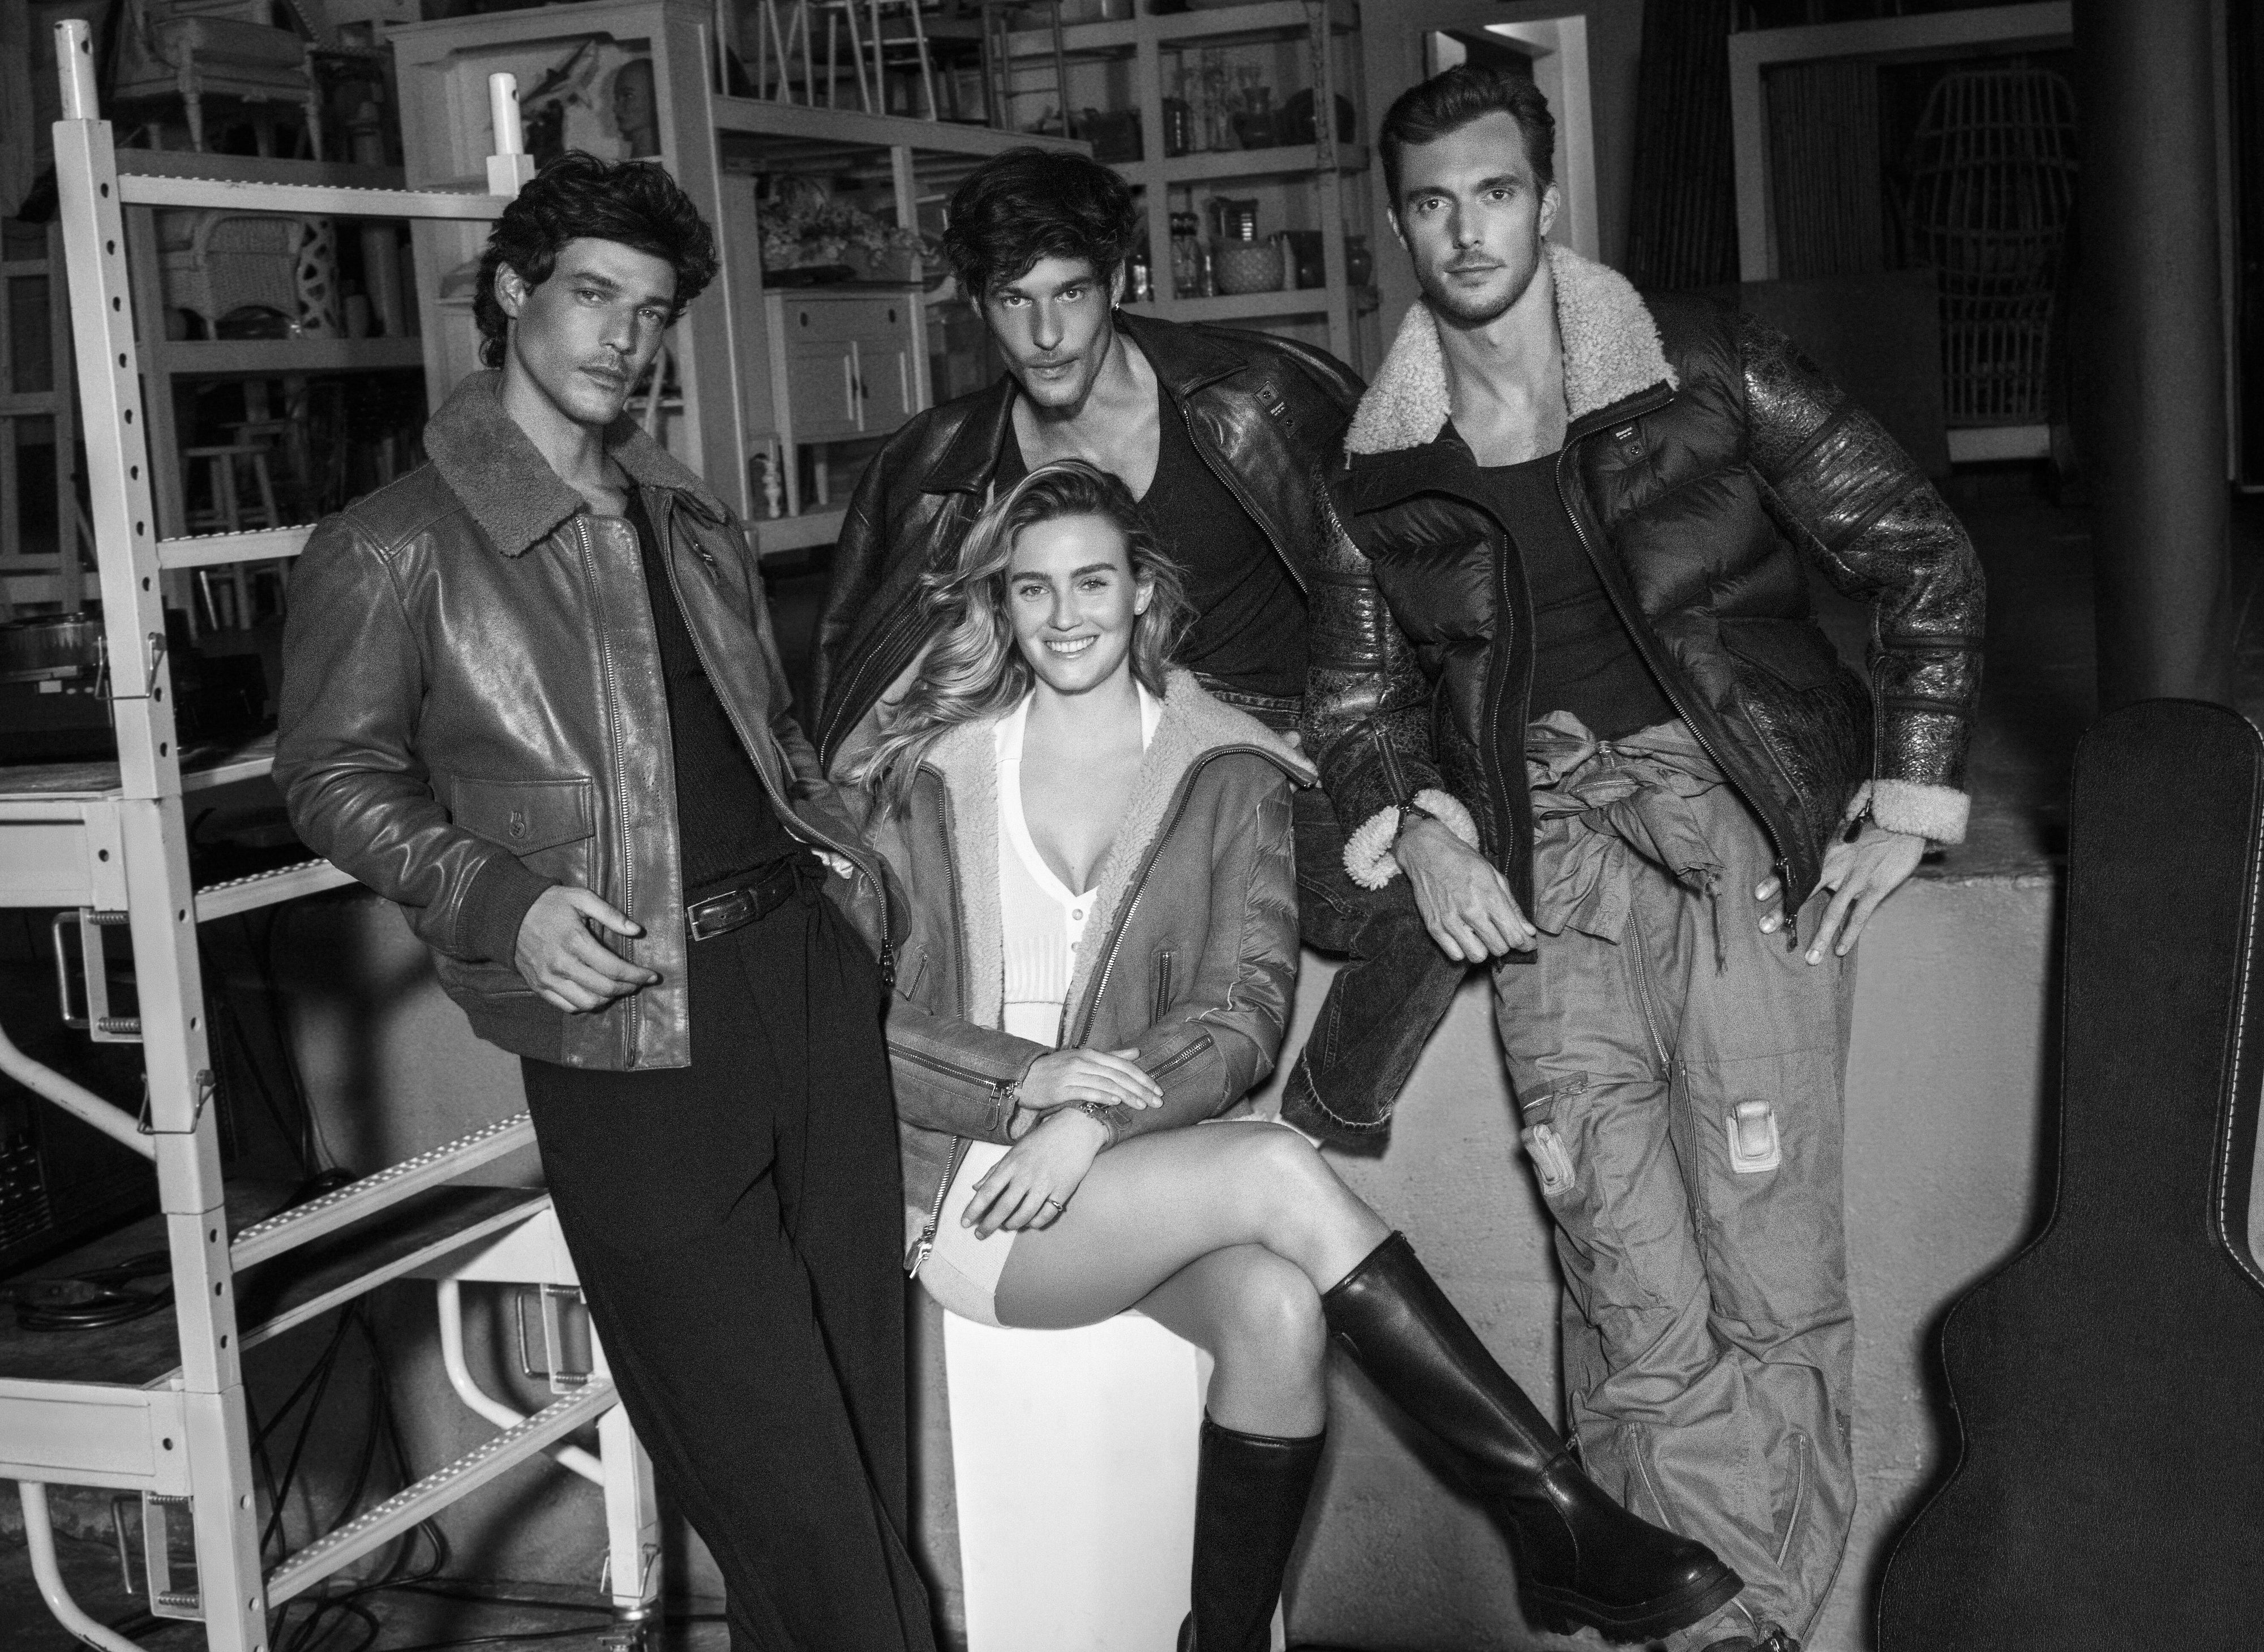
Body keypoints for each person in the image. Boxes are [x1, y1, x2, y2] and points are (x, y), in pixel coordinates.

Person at [1304, 68, 1987, 1652]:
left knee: (1763, 1252)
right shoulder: (1379, 466)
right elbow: (1353, 701)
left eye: (1494, 193)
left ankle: (1751, 1621)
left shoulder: (1703, 369)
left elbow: (1918, 551)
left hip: (1726, 828)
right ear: (1398, 227)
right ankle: (1679, 1615)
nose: (1466, 230)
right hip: (1541, 863)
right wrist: (1422, 824)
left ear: (1547, 202)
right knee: (1614, 1253)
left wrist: (1906, 794)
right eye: (1431, 203)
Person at [852, 458, 1743, 1651]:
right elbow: (859, 1018)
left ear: (1141, 592)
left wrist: (1093, 1120)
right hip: (971, 1190)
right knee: (1277, 1169)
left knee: (1279, 1315)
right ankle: (1554, 1515)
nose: (1065, 615)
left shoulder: (1227, 768)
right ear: (1001, 606)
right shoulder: (933, 774)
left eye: (1092, 581)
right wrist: (1026, 1085)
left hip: (1123, 1177)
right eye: (1032, 588)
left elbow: (1243, 1015)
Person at [275, 153, 932, 1652]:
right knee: (781, 1470)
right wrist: (500, 901)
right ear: (514, 292)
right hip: (630, 1026)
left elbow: (759, 739)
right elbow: (331, 775)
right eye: (591, 295)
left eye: (649, 311)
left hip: (803, 981)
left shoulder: (685, 510)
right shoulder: (394, 544)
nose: (622, 338)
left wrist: (849, 864)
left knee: (856, 1439)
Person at [812, 146, 1468, 1136]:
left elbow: (1392, 609)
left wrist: (1403, 782)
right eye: (1013, 300)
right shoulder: (939, 464)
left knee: (1427, 904)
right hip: (1076, 751)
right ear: (978, 305)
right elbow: (871, 668)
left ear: (1116, 280)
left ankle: (1310, 1135)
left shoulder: (1262, 398)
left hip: (1281, 753)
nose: (1045, 335)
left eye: (1070, 293)